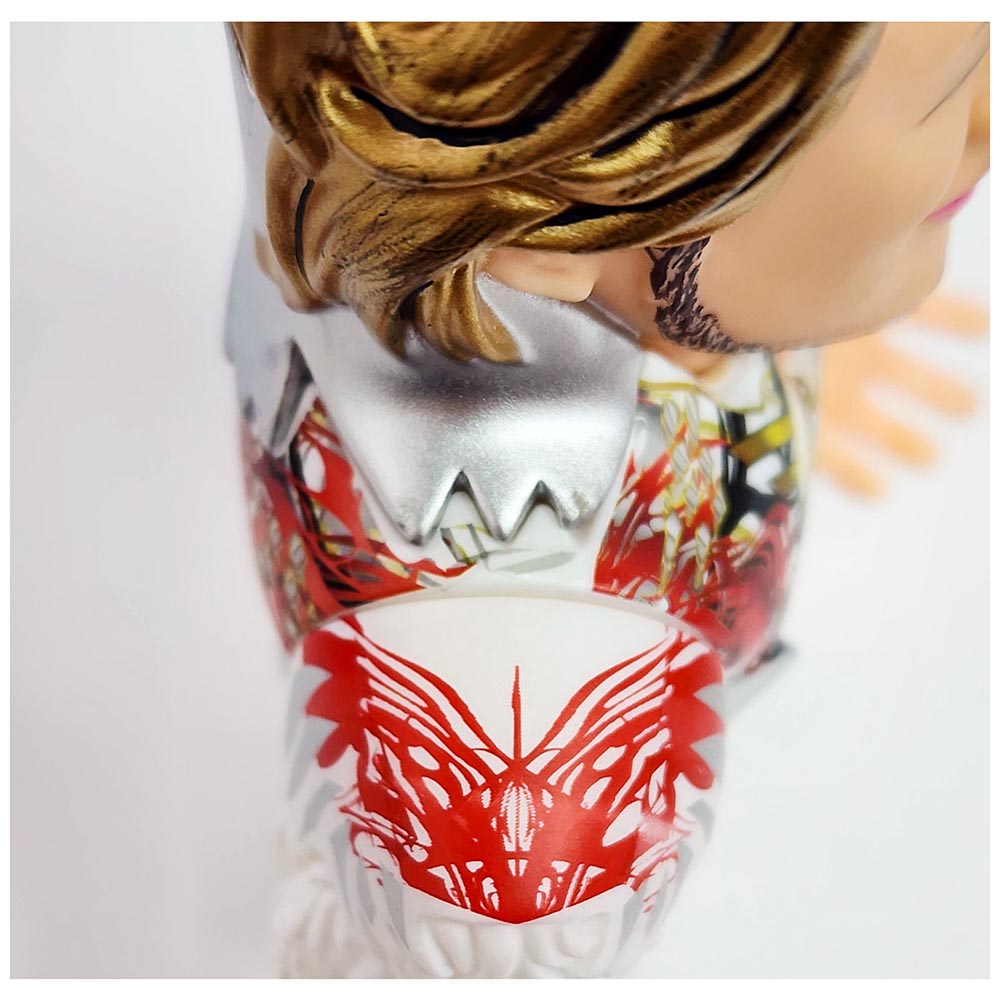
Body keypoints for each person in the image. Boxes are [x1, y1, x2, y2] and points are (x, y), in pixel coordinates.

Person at [225, 22, 989, 977]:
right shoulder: (530, 789)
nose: (986, 124)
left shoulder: (469, 206)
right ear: (548, 226)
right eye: (946, 97)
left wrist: (798, 302)